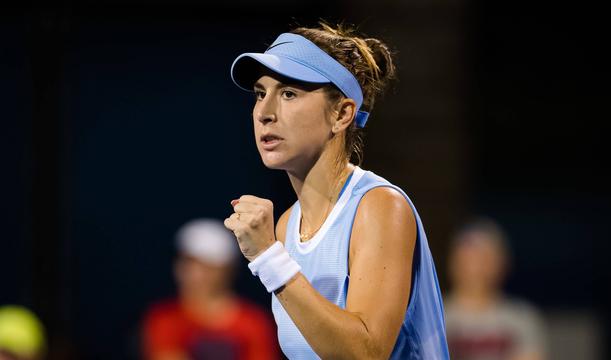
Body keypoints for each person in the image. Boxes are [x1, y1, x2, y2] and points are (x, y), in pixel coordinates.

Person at [223, 22, 449, 359]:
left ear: (342, 114)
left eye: (288, 93)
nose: (264, 113)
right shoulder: (286, 227)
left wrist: (269, 258)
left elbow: (366, 353)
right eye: (260, 93)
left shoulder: (380, 207)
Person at [141, 219, 279, 360]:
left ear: (227, 271)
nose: (195, 274)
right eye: (188, 263)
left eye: (207, 268)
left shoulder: (254, 323)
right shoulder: (164, 318)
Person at [444, 218, 547, 360]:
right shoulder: (433, 317)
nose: (476, 267)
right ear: (453, 262)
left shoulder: (522, 318)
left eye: (485, 258)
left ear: (502, 264)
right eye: (469, 258)